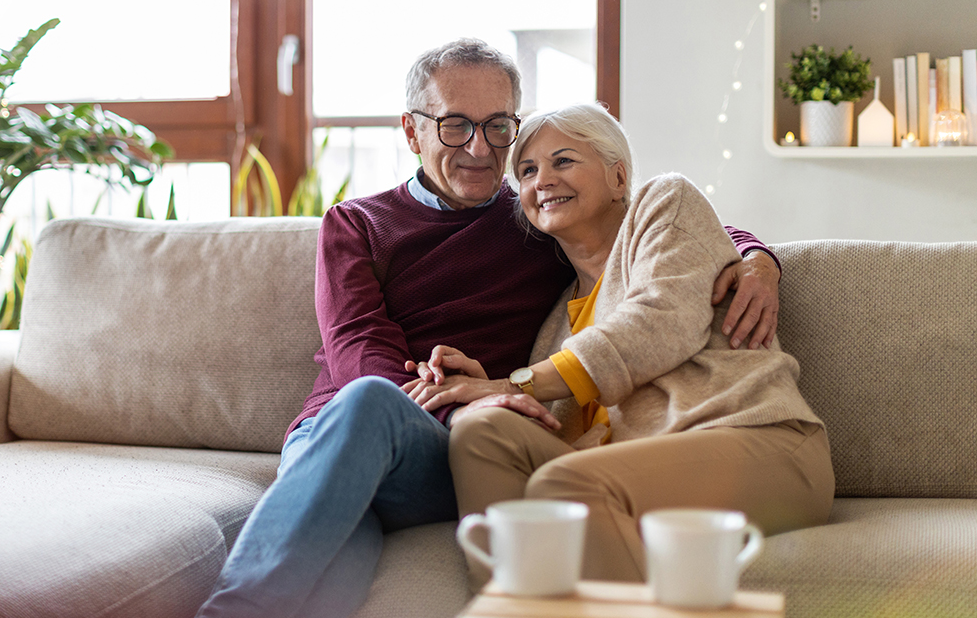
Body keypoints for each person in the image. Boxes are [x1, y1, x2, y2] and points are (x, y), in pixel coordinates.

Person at [195, 40, 783, 618]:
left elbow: (656, 228)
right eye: (455, 125)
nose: (479, 148)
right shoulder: (357, 223)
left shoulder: (536, 213)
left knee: (359, 489)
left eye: (498, 125)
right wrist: (467, 404)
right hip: (353, 426)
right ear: (412, 131)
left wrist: (758, 260)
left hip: (464, 452)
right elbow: (357, 349)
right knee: (366, 422)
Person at [403, 103, 834, 588]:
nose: (542, 179)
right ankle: (514, 600)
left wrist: (519, 381)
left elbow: (657, 324)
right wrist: (499, 394)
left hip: (761, 442)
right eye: (527, 170)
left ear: (618, 177)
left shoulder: (664, 205)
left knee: (566, 486)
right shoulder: (553, 328)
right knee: (482, 431)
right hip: (640, 470)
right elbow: (569, 425)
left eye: (563, 161)